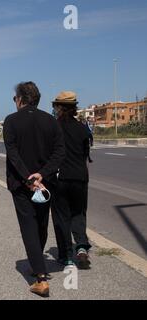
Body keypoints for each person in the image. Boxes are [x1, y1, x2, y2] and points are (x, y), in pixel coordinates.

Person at [3, 81, 65, 297]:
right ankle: (37, 261)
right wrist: (42, 174)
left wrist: (28, 178)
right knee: (41, 223)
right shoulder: (50, 121)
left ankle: (40, 278)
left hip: (21, 185)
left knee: (28, 225)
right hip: (46, 183)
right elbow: (59, 152)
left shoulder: (11, 121)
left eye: (15, 98)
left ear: (20, 99)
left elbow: (13, 153)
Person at [51, 92, 92, 270]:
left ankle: (66, 255)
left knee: (61, 216)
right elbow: (85, 154)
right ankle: (81, 247)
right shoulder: (83, 128)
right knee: (78, 213)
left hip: (60, 177)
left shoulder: (53, 127)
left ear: (59, 108)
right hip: (80, 177)